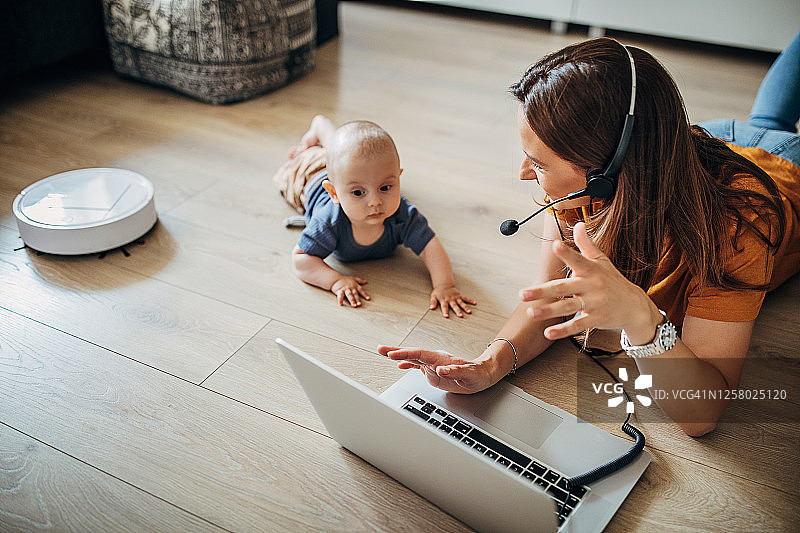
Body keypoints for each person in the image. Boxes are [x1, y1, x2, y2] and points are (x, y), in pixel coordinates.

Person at [379, 34, 800, 437]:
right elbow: (551, 299)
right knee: (764, 117)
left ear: (605, 171)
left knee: (771, 125)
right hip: (697, 140)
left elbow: (701, 415)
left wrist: (641, 318)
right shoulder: (593, 184)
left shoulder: (736, 226)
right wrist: (489, 364)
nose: (523, 175)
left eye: (538, 163)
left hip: (784, 171)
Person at [274, 115, 476, 317]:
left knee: (345, 151)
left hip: (347, 169)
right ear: (334, 194)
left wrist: (445, 286)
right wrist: (335, 280)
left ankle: (326, 136)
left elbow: (430, 247)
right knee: (295, 168)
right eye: (358, 193)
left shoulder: (403, 214)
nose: (375, 202)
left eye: (386, 187)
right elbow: (301, 259)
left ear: (398, 178)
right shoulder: (328, 221)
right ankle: (317, 131)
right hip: (309, 176)